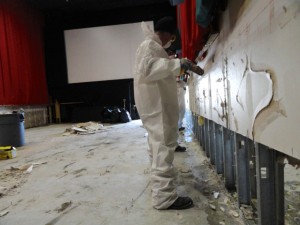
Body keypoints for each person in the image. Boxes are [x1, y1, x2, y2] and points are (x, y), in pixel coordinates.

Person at [133, 16, 197, 210]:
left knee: (156, 147)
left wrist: (174, 64)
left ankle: (160, 188)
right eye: (171, 37)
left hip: (153, 106)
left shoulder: (149, 47)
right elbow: (150, 69)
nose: (171, 41)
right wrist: (178, 63)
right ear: (168, 33)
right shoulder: (150, 46)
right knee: (162, 147)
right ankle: (164, 198)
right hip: (157, 107)